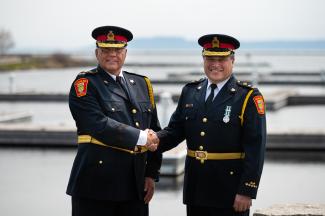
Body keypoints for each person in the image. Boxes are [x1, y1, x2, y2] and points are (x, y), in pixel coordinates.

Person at [154, 34, 266, 216]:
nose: (215, 64)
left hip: (229, 193)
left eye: (221, 59)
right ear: (203, 59)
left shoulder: (247, 97)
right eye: (210, 58)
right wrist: (151, 139)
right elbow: (175, 131)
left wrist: (247, 190)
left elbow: (256, 147)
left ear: (232, 60)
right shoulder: (190, 91)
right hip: (195, 189)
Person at [66, 25, 162, 216]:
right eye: (106, 50)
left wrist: (151, 174)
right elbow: (96, 124)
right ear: (96, 53)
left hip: (135, 186)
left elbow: (154, 130)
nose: (112, 55)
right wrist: (141, 138)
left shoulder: (142, 83)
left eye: (117, 50)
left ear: (125, 53)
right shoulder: (85, 84)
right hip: (96, 186)